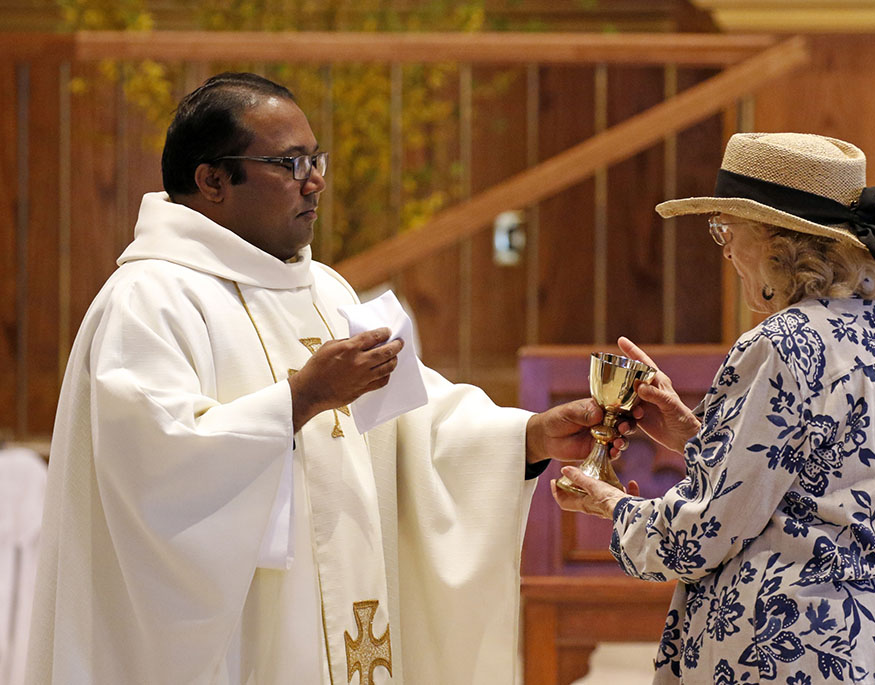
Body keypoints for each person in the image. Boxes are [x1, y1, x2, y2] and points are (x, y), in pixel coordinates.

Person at [27, 72, 606, 685]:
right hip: (248, 639)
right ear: (212, 180)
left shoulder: (324, 290)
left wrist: (528, 438)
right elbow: (152, 469)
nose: (316, 180)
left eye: (315, 158)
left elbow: (412, 425)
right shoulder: (149, 300)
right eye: (289, 162)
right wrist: (300, 400)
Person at [552, 132, 875, 684]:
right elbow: (827, 480)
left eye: (727, 231)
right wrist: (698, 437)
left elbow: (707, 532)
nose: (725, 251)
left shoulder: (783, 342)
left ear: (775, 242)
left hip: (797, 650)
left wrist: (612, 508)